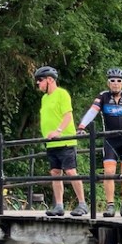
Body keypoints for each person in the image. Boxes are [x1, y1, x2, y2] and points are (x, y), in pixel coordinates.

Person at [77, 67, 122, 217]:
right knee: (109, 172)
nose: (115, 84)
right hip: (110, 140)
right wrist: (82, 126)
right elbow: (92, 112)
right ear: (108, 83)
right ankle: (110, 205)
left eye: (118, 81)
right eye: (112, 81)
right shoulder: (103, 97)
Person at [34, 65, 88, 218]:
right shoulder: (44, 98)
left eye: (40, 80)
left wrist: (58, 131)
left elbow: (68, 116)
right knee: (55, 173)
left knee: (70, 171)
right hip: (51, 143)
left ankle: (82, 204)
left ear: (50, 80)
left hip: (65, 140)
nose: (38, 83)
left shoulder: (62, 94)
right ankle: (58, 205)